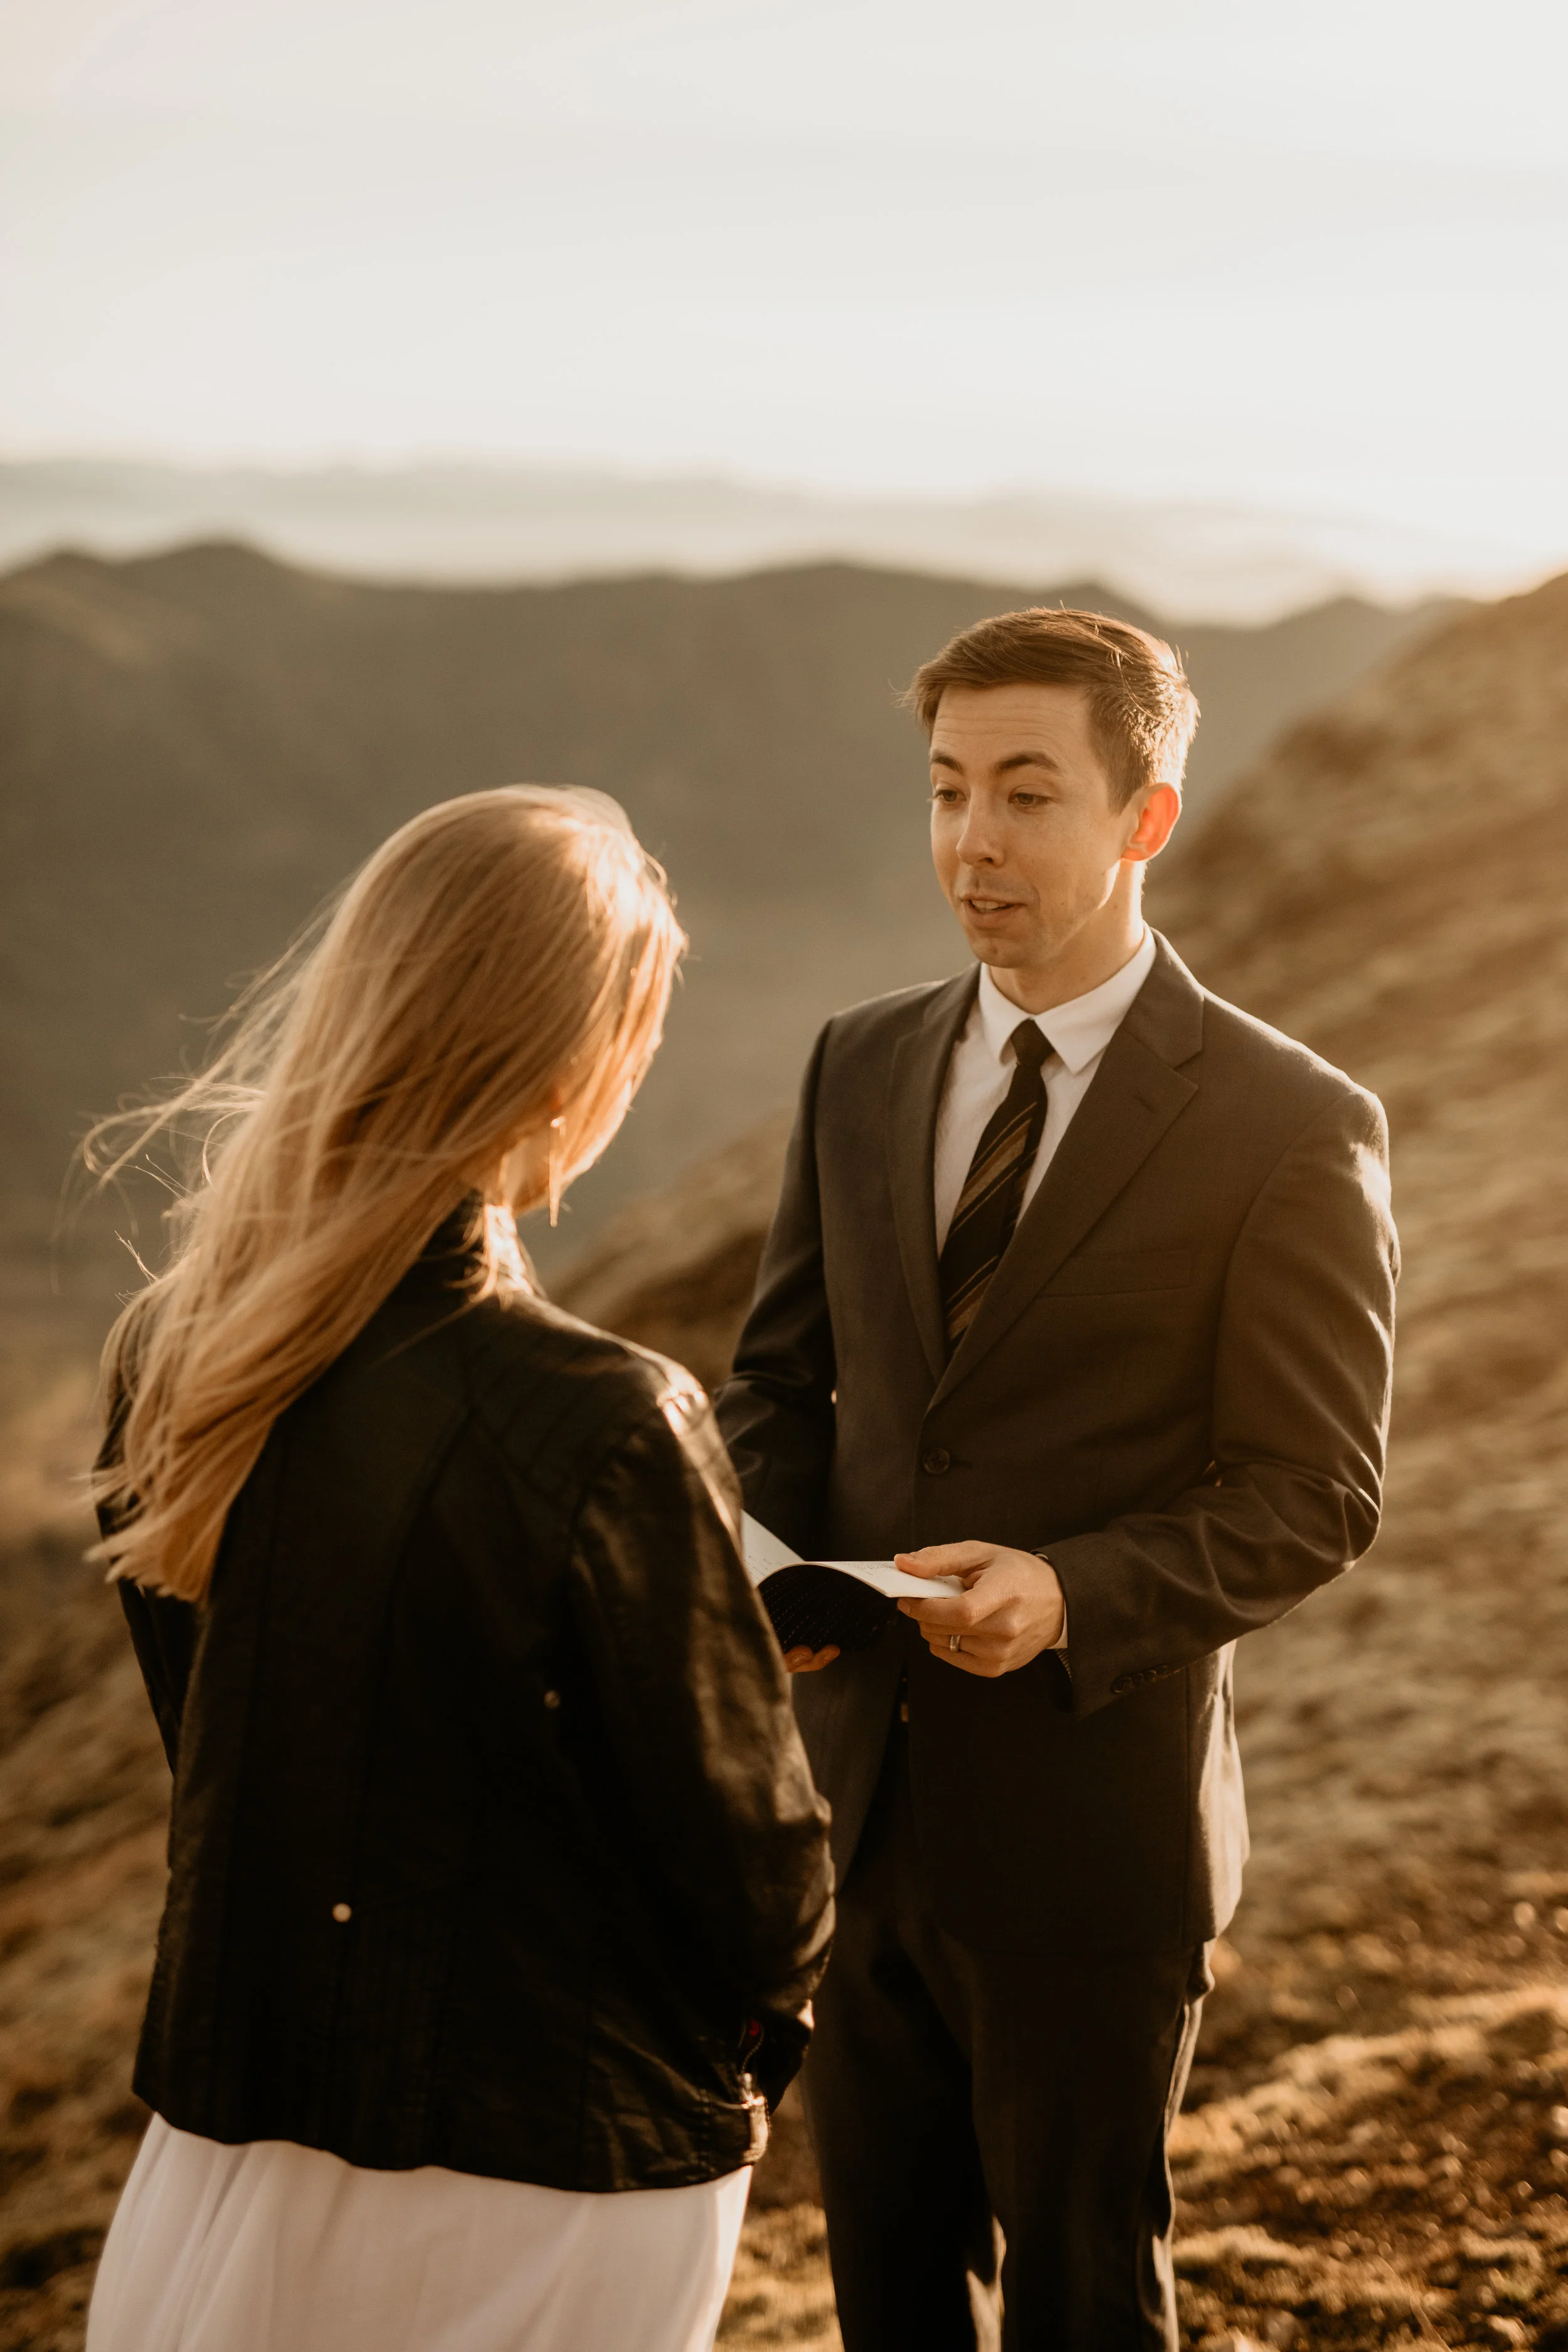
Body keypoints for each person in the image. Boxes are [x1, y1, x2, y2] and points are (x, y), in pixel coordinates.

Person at [716, 609, 1397, 2351]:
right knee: (887, 2300)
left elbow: (1313, 1485)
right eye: (946, 790)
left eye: (1026, 794)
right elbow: (780, 1382)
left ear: (1143, 816)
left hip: (1093, 1837)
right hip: (852, 1812)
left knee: (1085, 2301)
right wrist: (770, 1567)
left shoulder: (1289, 1121)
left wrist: (1069, 1588)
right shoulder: (857, 1058)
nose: (972, 841)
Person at [84, 785, 834, 2352]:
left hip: (232, 2151)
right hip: (552, 2172)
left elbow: (222, 1740)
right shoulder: (608, 1420)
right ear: (573, 1067)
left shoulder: (178, 1358)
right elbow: (762, 1896)